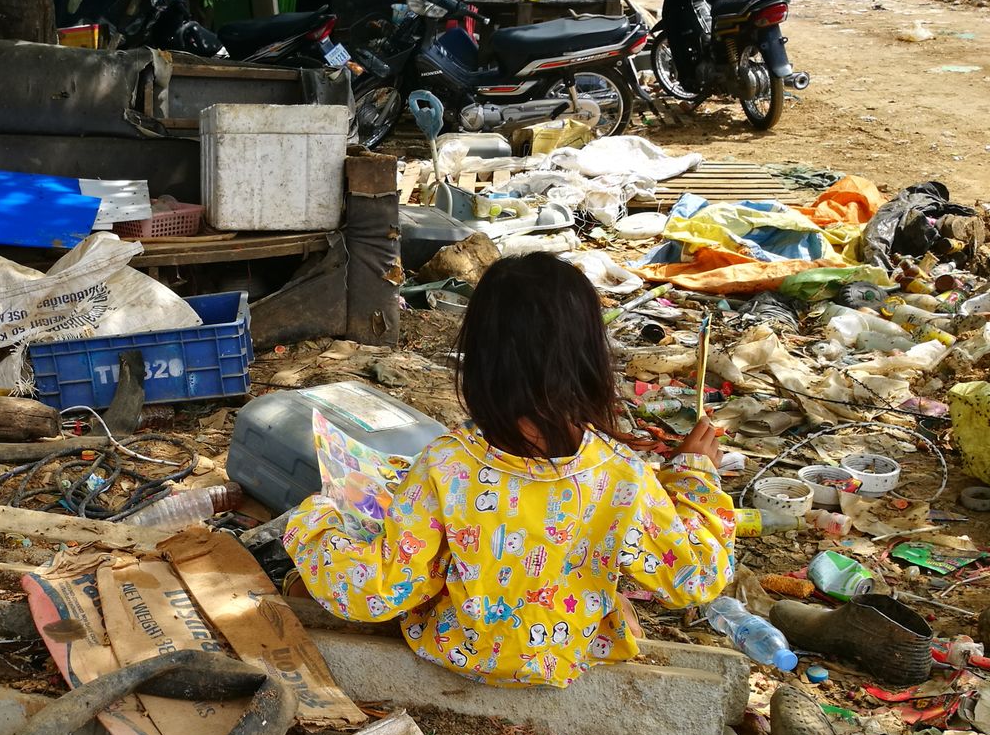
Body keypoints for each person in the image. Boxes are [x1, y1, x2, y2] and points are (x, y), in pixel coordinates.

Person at [283, 253, 735, 689]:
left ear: (480, 362)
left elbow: (380, 589)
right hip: (569, 653)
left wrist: (313, 523)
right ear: (591, 358)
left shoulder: (447, 465)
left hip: (457, 650)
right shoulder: (623, 476)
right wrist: (694, 477)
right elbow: (697, 576)